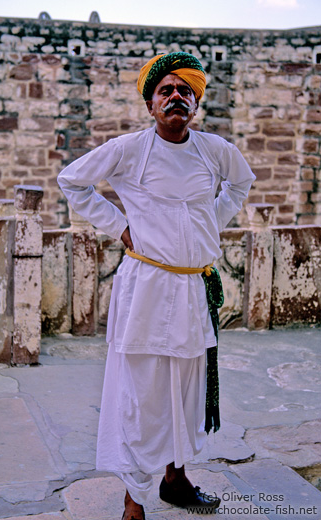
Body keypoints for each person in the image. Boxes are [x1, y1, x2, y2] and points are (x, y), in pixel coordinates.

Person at [58, 52, 255, 520]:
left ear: (195, 102)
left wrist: (210, 223)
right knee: (142, 395)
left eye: (184, 91)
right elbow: (72, 181)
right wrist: (121, 228)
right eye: (165, 91)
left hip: (191, 289)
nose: (175, 97)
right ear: (151, 105)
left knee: (185, 391)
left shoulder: (216, 151)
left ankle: (176, 480)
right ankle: (133, 500)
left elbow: (240, 185)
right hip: (145, 287)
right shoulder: (129, 149)